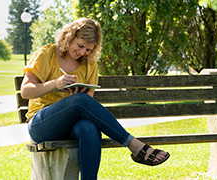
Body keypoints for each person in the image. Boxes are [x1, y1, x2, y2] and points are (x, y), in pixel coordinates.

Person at [20, 18, 170, 180]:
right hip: (41, 125)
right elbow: (26, 91)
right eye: (80, 45)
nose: (83, 52)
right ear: (70, 36)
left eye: (88, 49)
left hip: (70, 125)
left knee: (89, 127)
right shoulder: (47, 54)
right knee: (80, 100)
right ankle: (133, 145)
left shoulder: (89, 65)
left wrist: (72, 100)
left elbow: (86, 105)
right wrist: (56, 83)